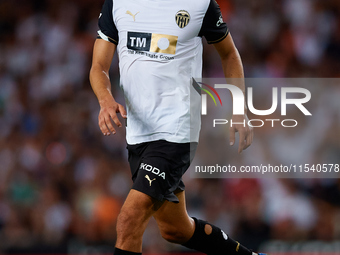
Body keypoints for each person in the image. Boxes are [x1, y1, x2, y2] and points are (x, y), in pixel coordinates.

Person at [89, 0, 261, 255]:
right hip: (138, 133)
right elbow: (98, 66)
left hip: (176, 129)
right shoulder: (117, 3)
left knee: (130, 218)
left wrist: (238, 109)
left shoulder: (200, 4)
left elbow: (229, 54)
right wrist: (105, 100)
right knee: (176, 229)